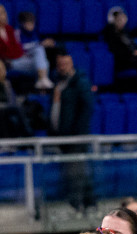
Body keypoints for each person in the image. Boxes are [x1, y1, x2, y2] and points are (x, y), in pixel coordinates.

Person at [50, 52, 95, 212]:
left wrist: (76, 134)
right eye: (60, 64)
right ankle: (87, 204)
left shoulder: (80, 83)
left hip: (75, 138)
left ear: (72, 64)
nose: (62, 67)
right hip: (62, 138)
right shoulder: (58, 83)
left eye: (66, 63)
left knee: (77, 173)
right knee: (77, 172)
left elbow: (87, 108)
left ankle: (82, 205)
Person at [2, 8, 52, 89]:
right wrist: (39, 44)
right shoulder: (16, 33)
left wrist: (48, 43)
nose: (30, 26)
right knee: (40, 52)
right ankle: (42, 80)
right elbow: (19, 48)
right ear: (22, 24)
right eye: (28, 23)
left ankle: (41, 82)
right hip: (16, 62)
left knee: (44, 63)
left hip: (30, 61)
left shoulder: (35, 34)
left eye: (32, 23)